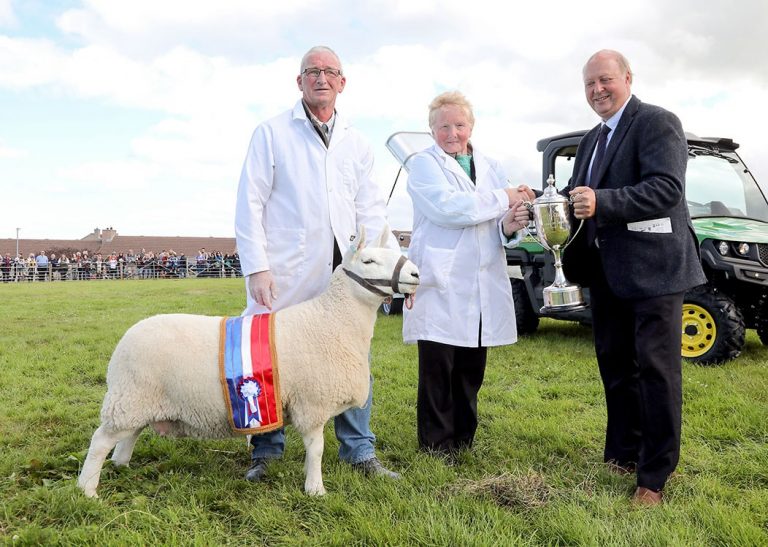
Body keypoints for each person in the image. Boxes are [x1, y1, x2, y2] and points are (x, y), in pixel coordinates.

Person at [235, 45, 400, 482]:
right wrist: (256, 265)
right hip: (286, 268)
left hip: (347, 276)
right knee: (269, 352)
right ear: (300, 81)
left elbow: (372, 210)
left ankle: (359, 450)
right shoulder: (271, 133)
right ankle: (266, 452)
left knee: (351, 355)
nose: (321, 78)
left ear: (342, 82)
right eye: (312, 71)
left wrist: (389, 267)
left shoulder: (357, 142)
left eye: (330, 72)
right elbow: (249, 202)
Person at [563, 50, 706, 505]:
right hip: (606, 273)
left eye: (604, 80)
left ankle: (654, 477)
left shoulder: (657, 122)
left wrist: (602, 201)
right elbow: (577, 194)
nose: (597, 90)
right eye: (589, 84)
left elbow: (667, 188)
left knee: (656, 373)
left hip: (656, 272)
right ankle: (623, 452)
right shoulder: (590, 140)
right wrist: (545, 199)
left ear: (627, 77)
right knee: (615, 365)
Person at [403, 91, 533, 459]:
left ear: (471, 126)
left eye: (459, 125)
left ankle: (463, 439)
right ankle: (435, 445)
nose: (452, 133)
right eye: (443, 126)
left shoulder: (491, 167)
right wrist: (505, 197)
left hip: (482, 278)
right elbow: (449, 209)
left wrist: (510, 223)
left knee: (470, 367)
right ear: (431, 130)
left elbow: (497, 226)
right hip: (440, 279)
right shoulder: (423, 166)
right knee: (438, 368)